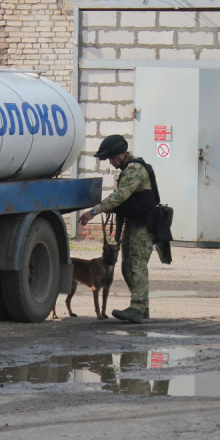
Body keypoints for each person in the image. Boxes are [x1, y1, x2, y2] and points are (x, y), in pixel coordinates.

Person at [78, 135, 157, 324]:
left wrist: (94, 211)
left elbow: (121, 195)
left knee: (137, 265)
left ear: (123, 154)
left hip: (143, 225)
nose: (112, 162)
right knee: (126, 266)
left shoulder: (135, 169)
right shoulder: (126, 170)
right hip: (133, 223)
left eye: (113, 158)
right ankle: (141, 308)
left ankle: (137, 308)